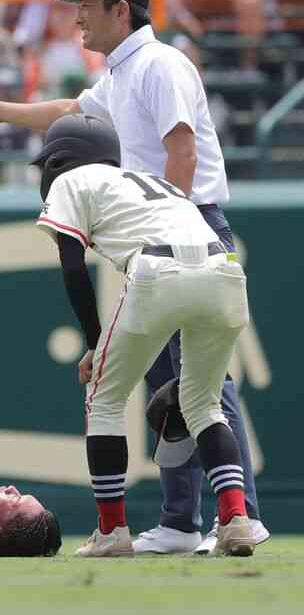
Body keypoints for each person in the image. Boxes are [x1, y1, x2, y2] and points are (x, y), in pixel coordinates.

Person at [0, 0, 268, 555]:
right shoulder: (120, 73)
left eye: (87, 4)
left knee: (202, 387)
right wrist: (5, 112)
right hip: (161, 237)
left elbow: (182, 150)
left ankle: (239, 514)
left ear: (121, 10)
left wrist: (175, 224)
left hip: (190, 224)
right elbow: (74, 109)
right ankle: (181, 521)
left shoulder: (161, 63)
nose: (76, 16)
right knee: (168, 387)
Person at [29, 115, 256, 557]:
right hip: (225, 270)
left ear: (60, 159)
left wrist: (94, 341)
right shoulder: (153, 181)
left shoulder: (72, 182)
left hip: (158, 270)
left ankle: (112, 531)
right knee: (204, 404)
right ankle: (235, 519)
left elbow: (73, 269)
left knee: (105, 399)